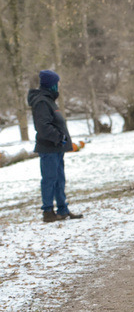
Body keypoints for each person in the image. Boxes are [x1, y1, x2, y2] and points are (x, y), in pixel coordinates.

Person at [29, 70, 84, 222]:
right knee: (49, 179)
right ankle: (48, 212)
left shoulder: (49, 100)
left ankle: (63, 209)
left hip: (57, 147)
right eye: (57, 82)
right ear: (51, 84)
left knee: (59, 179)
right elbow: (43, 126)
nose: (59, 85)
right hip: (49, 148)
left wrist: (62, 140)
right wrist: (59, 137)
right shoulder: (41, 101)